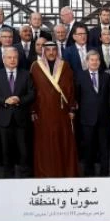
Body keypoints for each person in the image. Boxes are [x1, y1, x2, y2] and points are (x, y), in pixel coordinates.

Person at [30, 42, 78, 178]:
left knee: (63, 142)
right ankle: (46, 174)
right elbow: (32, 90)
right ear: (43, 52)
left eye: (54, 50)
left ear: (57, 51)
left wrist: (72, 109)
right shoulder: (35, 67)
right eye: (48, 50)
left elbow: (71, 88)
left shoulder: (65, 66)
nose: (51, 52)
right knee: (45, 144)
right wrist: (32, 110)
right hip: (42, 113)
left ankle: (65, 173)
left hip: (62, 113)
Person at [0, 47, 36, 178]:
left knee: (24, 151)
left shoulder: (26, 74)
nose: (12, 60)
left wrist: (19, 99)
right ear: (3, 59)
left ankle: (24, 177)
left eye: (15, 57)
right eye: (9, 57)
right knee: (6, 151)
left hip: (21, 119)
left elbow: (32, 94)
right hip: (4, 119)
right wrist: (5, 101)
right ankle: (8, 178)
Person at [75, 51, 110, 177]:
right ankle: (89, 174)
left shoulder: (106, 76)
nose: (94, 62)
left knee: (104, 149)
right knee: (88, 148)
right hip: (87, 119)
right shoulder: (80, 76)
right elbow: (77, 97)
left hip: (104, 119)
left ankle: (104, 174)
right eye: (92, 60)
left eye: (97, 60)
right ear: (87, 62)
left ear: (100, 62)